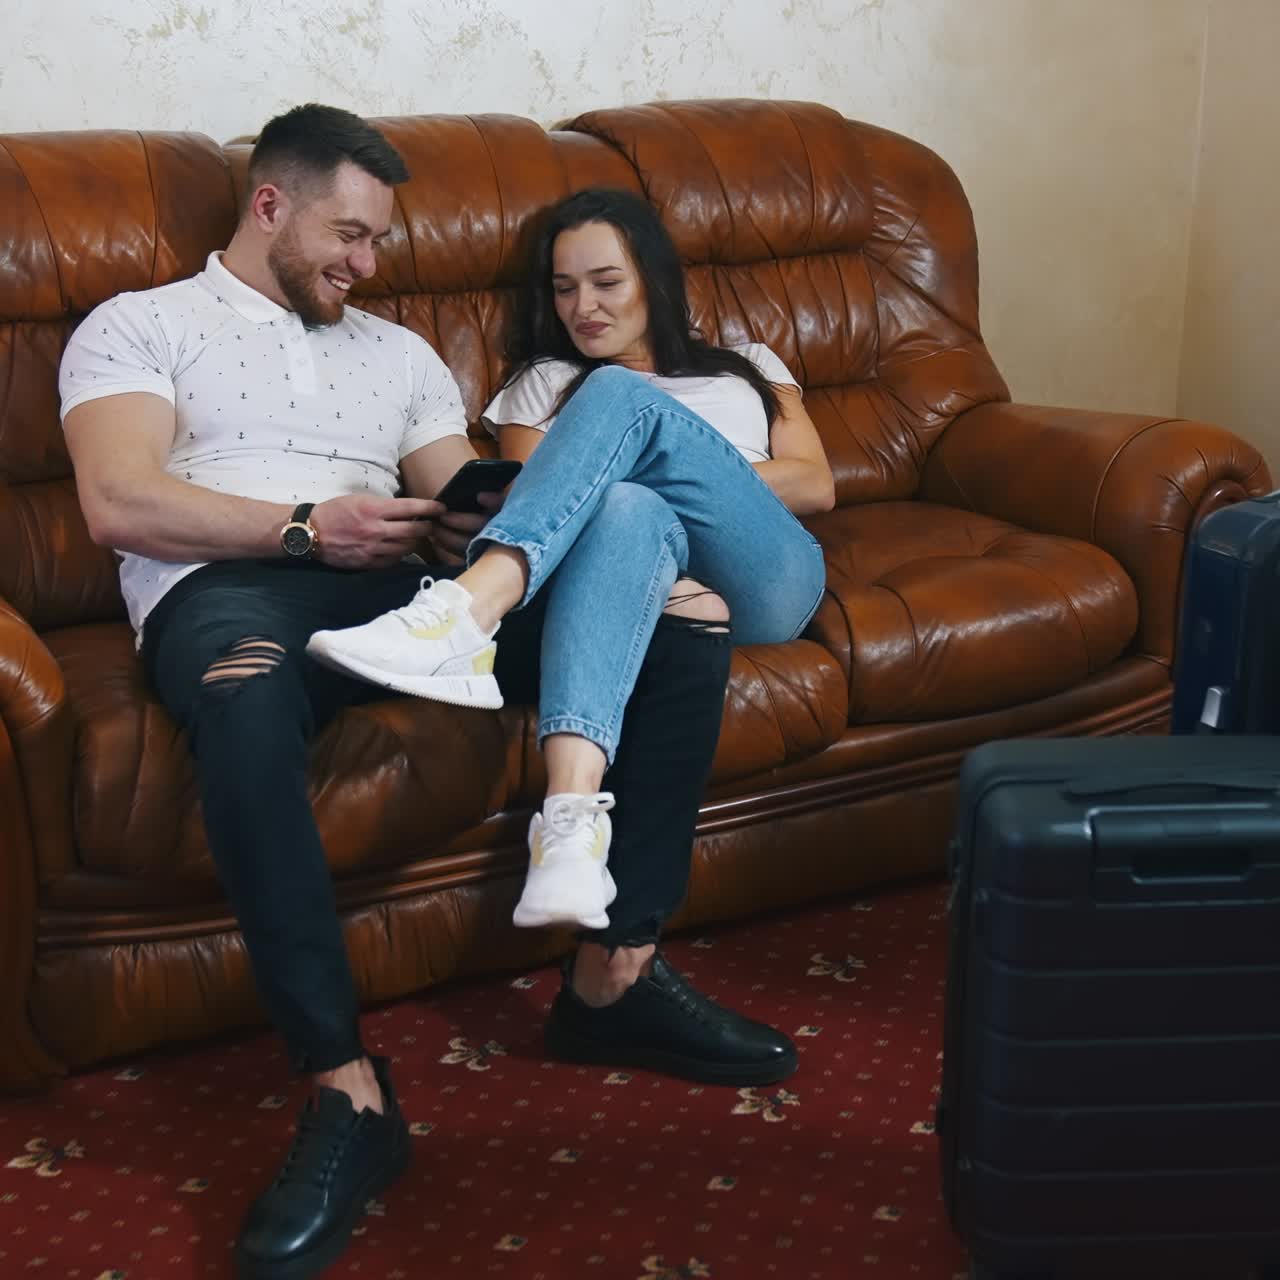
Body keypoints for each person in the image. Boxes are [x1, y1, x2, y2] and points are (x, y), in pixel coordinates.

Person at [57, 106, 798, 1280]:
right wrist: (306, 524)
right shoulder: (141, 326)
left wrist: (516, 523)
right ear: (270, 207)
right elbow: (120, 498)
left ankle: (616, 972)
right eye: (346, 235)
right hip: (234, 593)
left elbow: (468, 497)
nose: (364, 263)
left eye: (378, 242)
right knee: (244, 704)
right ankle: (345, 1091)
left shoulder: (396, 352)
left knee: (671, 629)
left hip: (403, 591)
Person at [308, 186, 835, 934]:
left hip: (766, 571)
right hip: (648, 590)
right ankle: (571, 824)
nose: (583, 306)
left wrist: (649, 450)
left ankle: (463, 610)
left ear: (654, 277)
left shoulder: (748, 362)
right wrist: (622, 483)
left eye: (606, 282)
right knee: (622, 507)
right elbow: (552, 511)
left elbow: (813, 483)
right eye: (563, 289)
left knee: (622, 424)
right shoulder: (542, 384)